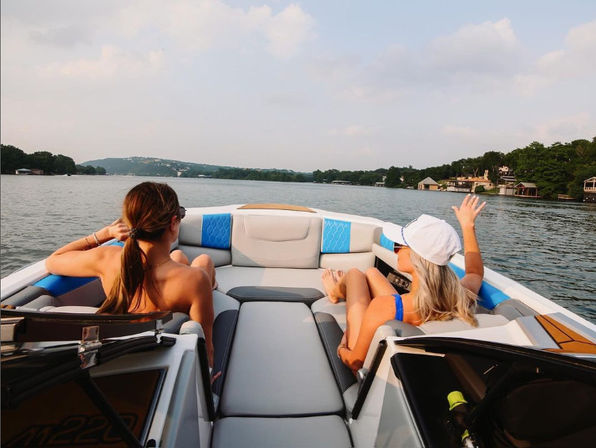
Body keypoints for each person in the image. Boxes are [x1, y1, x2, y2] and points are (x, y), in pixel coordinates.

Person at [46, 181, 216, 366]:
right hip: (163, 355)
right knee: (203, 261)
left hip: (120, 359)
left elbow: (53, 261)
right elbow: (206, 350)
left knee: (178, 255)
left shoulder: (107, 259)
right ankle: (213, 284)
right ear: (173, 223)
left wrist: (103, 234)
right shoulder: (195, 280)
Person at [321, 194, 486, 372]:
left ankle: (335, 292)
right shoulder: (463, 296)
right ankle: (337, 290)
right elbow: (475, 272)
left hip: (366, 369)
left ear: (416, 258)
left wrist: (341, 349)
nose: (396, 250)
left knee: (354, 274)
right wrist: (468, 226)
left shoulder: (385, 307)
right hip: (415, 342)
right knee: (371, 272)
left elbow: (355, 362)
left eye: (399, 246)